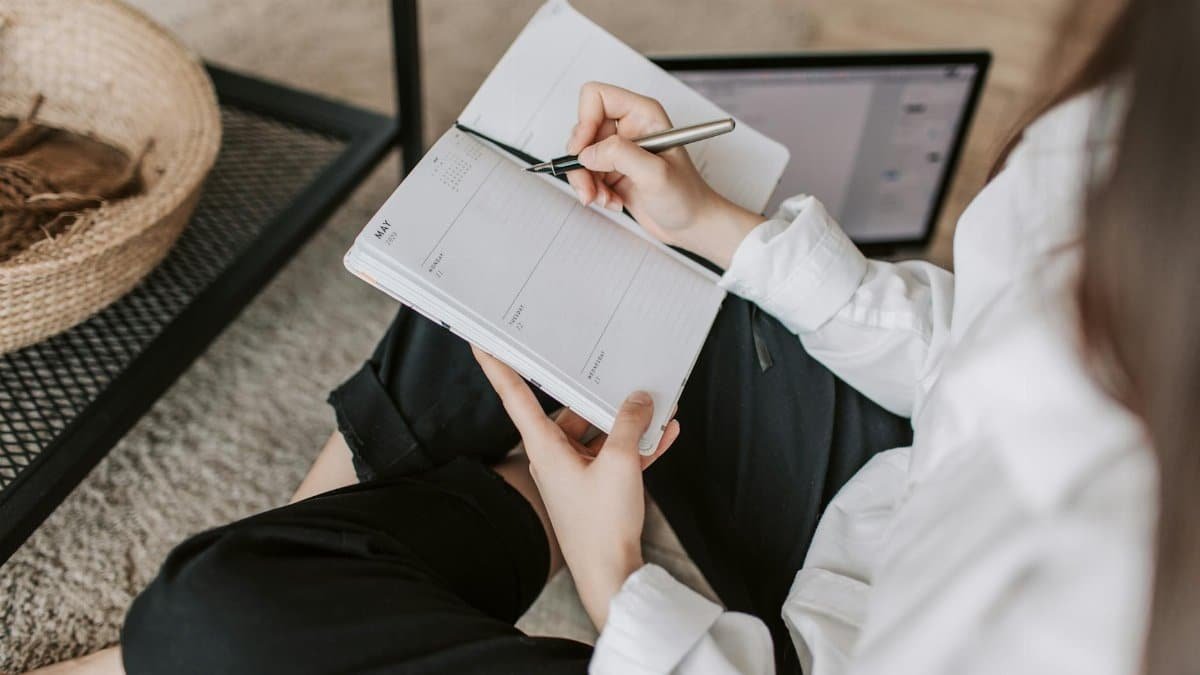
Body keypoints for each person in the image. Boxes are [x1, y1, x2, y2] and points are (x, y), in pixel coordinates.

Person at [30, 0, 1198, 672]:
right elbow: (975, 351)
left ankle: (310, 585)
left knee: (203, 616)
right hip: (898, 491)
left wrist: (617, 574)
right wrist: (719, 228)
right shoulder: (1139, 122)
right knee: (552, 231)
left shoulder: (1124, 604)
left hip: (832, 647)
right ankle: (339, 550)